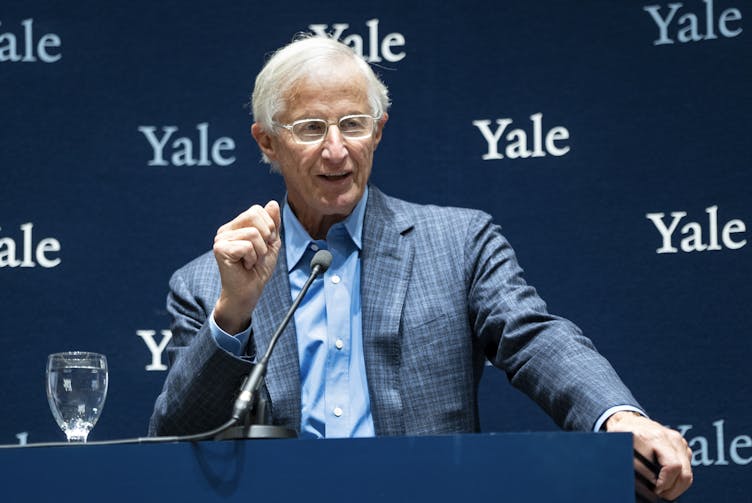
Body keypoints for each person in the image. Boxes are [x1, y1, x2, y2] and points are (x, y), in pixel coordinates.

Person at [149, 35, 692, 500]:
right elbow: (177, 440)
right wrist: (235, 311)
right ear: (267, 141)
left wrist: (620, 419)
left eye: (353, 124)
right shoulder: (208, 283)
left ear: (379, 131)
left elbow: (534, 339)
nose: (337, 151)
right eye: (311, 128)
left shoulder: (459, 243)